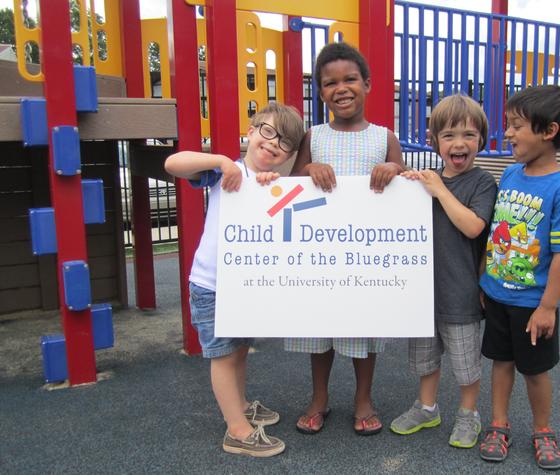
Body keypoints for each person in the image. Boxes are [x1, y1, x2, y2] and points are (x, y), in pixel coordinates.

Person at [164, 103, 304, 457]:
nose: (273, 144)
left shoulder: (273, 183)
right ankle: (237, 431)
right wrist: (220, 161)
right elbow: (172, 164)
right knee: (224, 355)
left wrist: (269, 187)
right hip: (213, 285)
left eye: (285, 142)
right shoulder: (226, 173)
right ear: (252, 130)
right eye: (268, 131)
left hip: (245, 284)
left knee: (240, 349)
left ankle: (241, 406)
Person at [285, 41, 405, 436]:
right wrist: (311, 168)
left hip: (365, 255)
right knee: (318, 329)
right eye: (330, 82)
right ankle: (319, 397)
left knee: (362, 328)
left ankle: (363, 399)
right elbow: (293, 182)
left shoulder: (384, 137)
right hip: (319, 252)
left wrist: (391, 168)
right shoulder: (313, 136)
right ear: (320, 92)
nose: (341, 88)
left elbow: (402, 180)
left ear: (367, 83)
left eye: (350, 79)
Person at [478, 85, 560, 470]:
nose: (507, 133)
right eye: (508, 125)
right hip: (498, 294)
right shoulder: (509, 175)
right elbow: (495, 232)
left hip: (532, 304)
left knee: (535, 371)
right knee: (500, 362)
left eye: (516, 126)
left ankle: (542, 430)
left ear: (548, 131)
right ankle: (498, 424)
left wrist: (548, 307)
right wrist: (484, 280)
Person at [390, 94, 497, 449]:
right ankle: (427, 407)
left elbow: (473, 227)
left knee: (466, 365)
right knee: (424, 358)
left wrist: (438, 189)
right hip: (421, 293)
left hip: (460, 291)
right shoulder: (424, 181)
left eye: (469, 134)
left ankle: (469, 414)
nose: (459, 143)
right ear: (433, 140)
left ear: (481, 139)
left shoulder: (482, 183)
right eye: (449, 135)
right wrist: (409, 184)